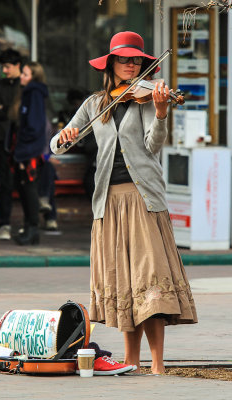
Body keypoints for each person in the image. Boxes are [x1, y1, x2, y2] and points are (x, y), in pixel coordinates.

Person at [50, 31, 198, 375]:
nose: (131, 65)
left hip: (142, 197)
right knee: (124, 283)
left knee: (151, 280)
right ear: (112, 64)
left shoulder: (147, 98)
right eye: (124, 59)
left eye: (136, 60)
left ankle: (158, 364)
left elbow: (153, 145)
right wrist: (65, 137)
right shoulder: (94, 104)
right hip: (108, 203)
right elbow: (58, 146)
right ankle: (132, 362)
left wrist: (161, 112)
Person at [12, 61, 48, 245]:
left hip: (30, 151)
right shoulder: (30, 93)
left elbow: (33, 126)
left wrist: (23, 149)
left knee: (29, 189)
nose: (21, 77)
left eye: (25, 74)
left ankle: (33, 230)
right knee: (25, 189)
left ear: (34, 77)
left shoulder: (33, 93)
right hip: (28, 149)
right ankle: (29, 229)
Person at [0, 49, 21, 240]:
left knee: (25, 183)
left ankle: (29, 225)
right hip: (2, 140)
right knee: (5, 183)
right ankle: (4, 224)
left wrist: (4, 108)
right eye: (2, 66)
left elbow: (24, 113)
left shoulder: (24, 84)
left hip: (21, 141)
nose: (4, 70)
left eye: (7, 66)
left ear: (18, 65)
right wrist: (12, 110)